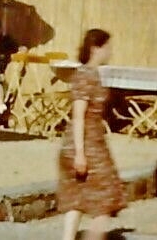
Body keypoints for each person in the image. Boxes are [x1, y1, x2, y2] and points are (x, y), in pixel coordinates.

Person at [58, 29, 125, 240]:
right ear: (96, 48)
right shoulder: (85, 76)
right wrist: (80, 153)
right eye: (108, 48)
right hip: (86, 144)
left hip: (89, 141)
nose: (110, 52)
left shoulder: (90, 74)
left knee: (76, 196)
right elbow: (78, 115)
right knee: (106, 196)